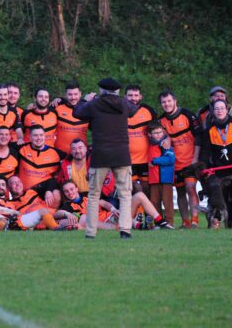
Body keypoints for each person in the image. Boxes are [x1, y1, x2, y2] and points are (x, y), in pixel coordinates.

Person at [73, 77, 138, 239]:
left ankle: (90, 232)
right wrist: (121, 98)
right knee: (125, 194)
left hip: (100, 154)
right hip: (121, 154)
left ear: (101, 90)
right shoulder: (123, 103)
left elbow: (77, 112)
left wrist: (85, 100)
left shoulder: (94, 104)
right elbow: (134, 109)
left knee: (94, 195)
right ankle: (125, 230)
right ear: (117, 91)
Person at [199, 99, 232, 228]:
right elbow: (205, 151)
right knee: (220, 194)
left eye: (222, 108)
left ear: (227, 109)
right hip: (218, 169)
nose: (219, 110)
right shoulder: (209, 129)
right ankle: (217, 219)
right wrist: (204, 167)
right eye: (217, 108)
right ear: (213, 111)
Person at [158, 90, 202, 229]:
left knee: (191, 188)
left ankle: (195, 220)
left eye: (169, 101)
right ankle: (185, 222)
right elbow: (160, 139)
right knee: (181, 192)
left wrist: (195, 158)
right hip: (174, 164)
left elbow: (199, 137)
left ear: (175, 101)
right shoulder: (161, 121)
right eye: (164, 102)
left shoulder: (188, 115)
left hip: (190, 161)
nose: (167, 104)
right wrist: (167, 139)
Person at [60, 180, 173, 230]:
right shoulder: (67, 205)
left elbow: (104, 203)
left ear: (76, 188)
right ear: (64, 193)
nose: (70, 193)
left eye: (71, 189)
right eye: (66, 191)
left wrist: (114, 209)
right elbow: (58, 217)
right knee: (84, 218)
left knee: (139, 195)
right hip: (103, 224)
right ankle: (138, 225)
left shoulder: (87, 196)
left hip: (112, 216)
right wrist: (66, 214)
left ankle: (160, 222)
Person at [0, 176, 70, 231]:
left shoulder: (31, 191)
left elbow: (52, 180)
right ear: (8, 188)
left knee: (70, 222)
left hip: (54, 216)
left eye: (19, 182)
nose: (17, 184)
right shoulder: (11, 204)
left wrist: (48, 191)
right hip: (38, 223)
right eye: (13, 183)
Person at [17, 125, 66, 209]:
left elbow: (71, 160)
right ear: (30, 137)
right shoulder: (21, 149)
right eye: (35, 135)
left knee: (56, 194)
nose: (39, 138)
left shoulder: (56, 153)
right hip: (25, 191)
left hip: (45, 189)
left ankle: (53, 216)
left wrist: (49, 190)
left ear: (44, 136)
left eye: (41, 135)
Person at [125, 85, 157, 194]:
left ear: (141, 96)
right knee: (134, 190)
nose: (133, 98)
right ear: (125, 97)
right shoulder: (119, 112)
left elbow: (158, 131)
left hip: (146, 159)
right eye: (130, 95)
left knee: (147, 189)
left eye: (135, 95)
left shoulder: (149, 111)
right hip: (127, 160)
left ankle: (148, 211)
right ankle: (136, 211)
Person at [147, 121, 175, 226]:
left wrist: (155, 161)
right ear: (150, 134)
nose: (159, 135)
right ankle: (159, 223)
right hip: (153, 179)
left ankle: (170, 223)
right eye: (156, 133)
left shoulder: (165, 144)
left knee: (167, 202)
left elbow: (170, 159)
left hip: (165, 179)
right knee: (154, 202)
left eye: (160, 132)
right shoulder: (149, 144)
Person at [54, 81, 89, 154]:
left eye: (75, 94)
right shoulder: (57, 108)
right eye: (70, 94)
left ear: (80, 94)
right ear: (65, 95)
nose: (73, 97)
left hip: (80, 155)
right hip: (60, 155)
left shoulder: (88, 110)